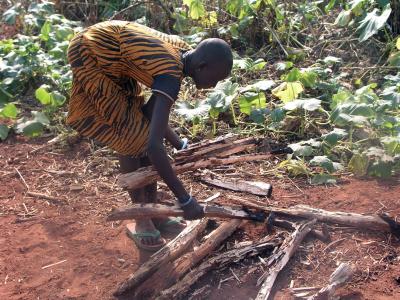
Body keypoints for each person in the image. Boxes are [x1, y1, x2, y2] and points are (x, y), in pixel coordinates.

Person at [67, 20, 233, 251]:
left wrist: (181, 145)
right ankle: (142, 216)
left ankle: (153, 209)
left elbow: (149, 113)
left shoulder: (184, 56)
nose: (214, 85)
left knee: (140, 127)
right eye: (216, 78)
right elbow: (154, 146)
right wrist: (185, 199)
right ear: (203, 65)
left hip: (112, 55)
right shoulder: (170, 73)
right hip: (91, 52)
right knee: (130, 137)